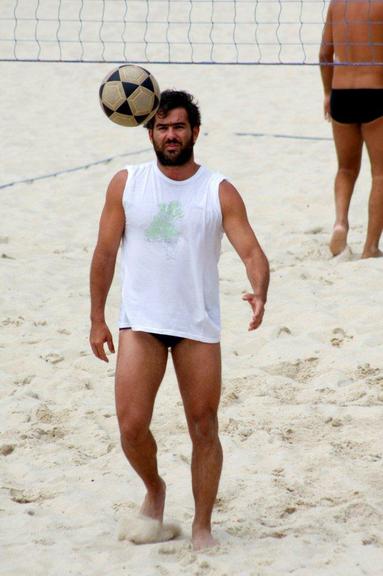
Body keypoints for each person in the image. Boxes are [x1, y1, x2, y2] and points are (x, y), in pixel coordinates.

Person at [89, 90, 269, 550]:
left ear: (195, 132)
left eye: (180, 126)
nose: (171, 134)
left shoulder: (218, 188)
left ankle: (202, 525)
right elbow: (105, 253)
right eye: (163, 126)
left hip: (196, 324)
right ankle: (155, 487)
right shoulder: (126, 183)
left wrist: (259, 285)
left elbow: (250, 249)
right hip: (141, 322)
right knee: (131, 426)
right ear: (149, 132)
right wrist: (97, 317)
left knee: (204, 426)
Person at [319, 0, 383, 258]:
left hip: (341, 94)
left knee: (345, 168)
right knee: (380, 173)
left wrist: (326, 92)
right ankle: (370, 247)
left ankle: (340, 223)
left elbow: (324, 54)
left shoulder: (338, 4)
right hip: (375, 91)